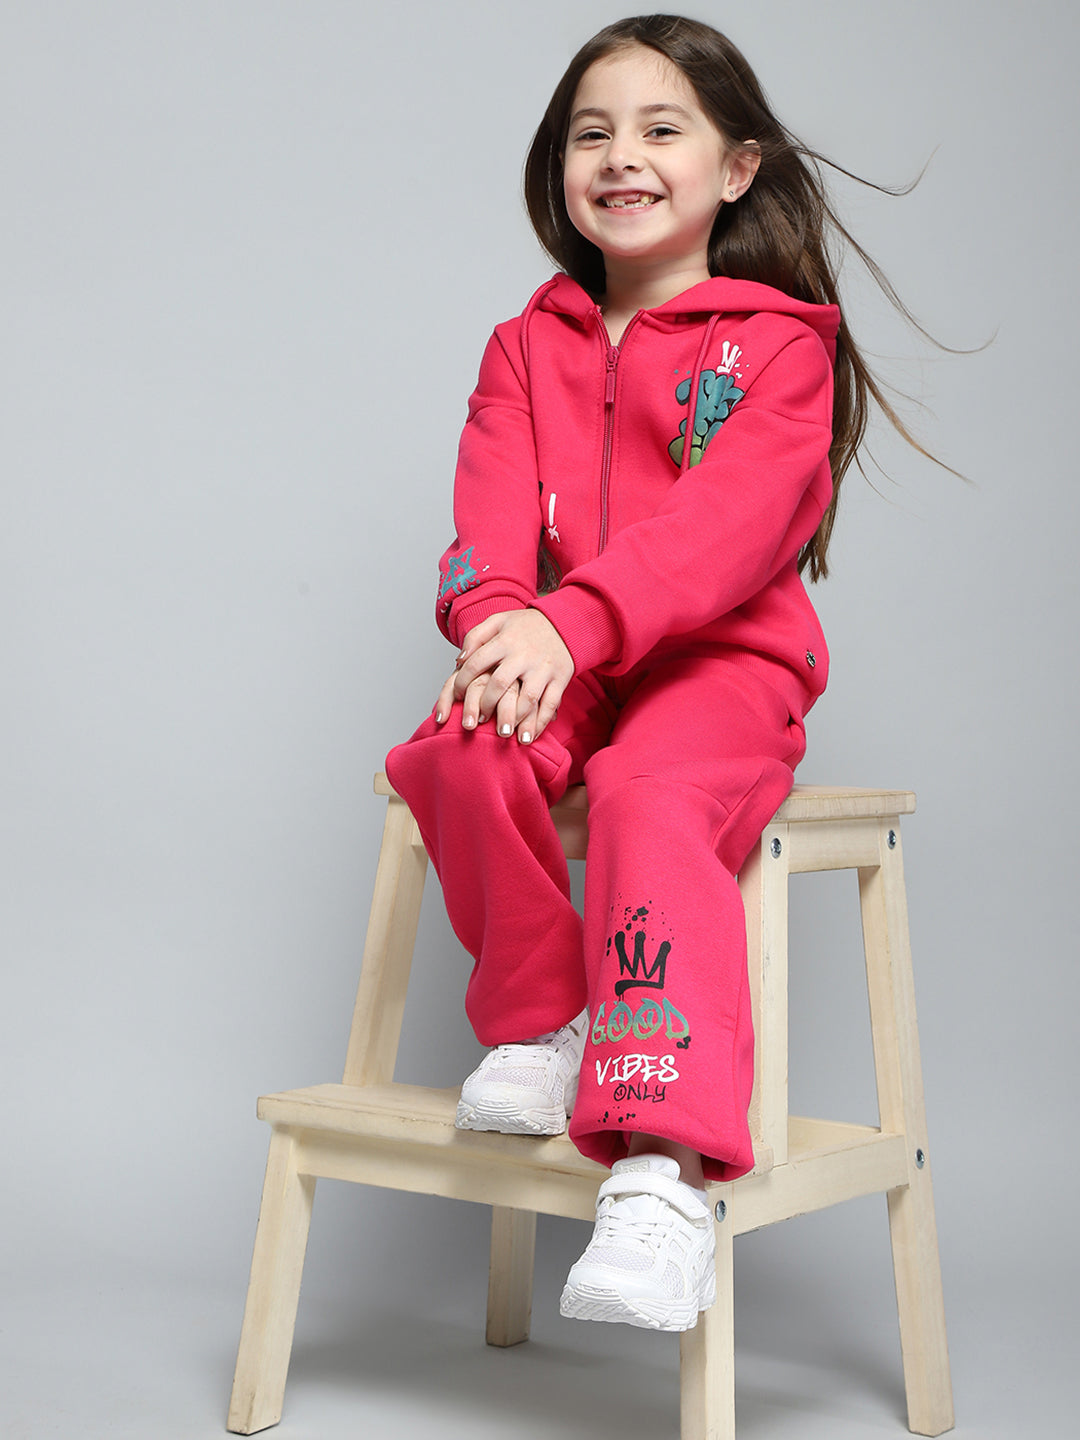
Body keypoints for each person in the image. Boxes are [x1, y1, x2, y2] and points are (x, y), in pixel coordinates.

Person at [385, 13, 925, 1333]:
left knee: (647, 793)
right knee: (459, 746)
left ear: (736, 168)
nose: (621, 156)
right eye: (592, 133)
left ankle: (663, 1172)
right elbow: (487, 516)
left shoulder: (780, 345)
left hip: (723, 662)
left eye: (660, 129)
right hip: (564, 649)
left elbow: (729, 528)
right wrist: (499, 628)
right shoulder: (524, 346)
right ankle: (540, 1019)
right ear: (560, 166)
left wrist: (576, 622)